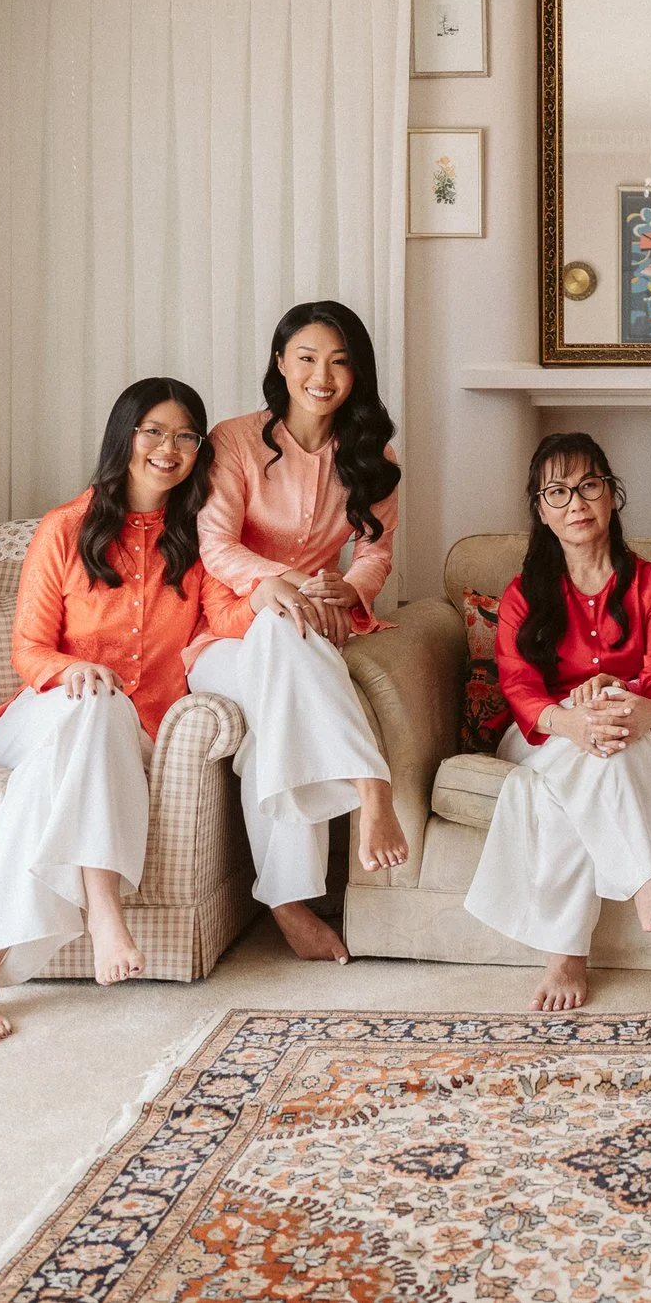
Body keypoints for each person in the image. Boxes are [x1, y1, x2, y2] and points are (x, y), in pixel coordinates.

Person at [0, 377, 252, 1045]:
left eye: (185, 434)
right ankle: (104, 907)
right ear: (123, 436)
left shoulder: (197, 542)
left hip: (132, 730)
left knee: (70, 751)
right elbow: (29, 651)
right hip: (39, 716)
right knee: (90, 704)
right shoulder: (64, 528)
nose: (168, 448)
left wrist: (274, 594)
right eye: (153, 430)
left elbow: (223, 617)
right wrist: (73, 669)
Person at [194, 301, 409, 963]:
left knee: (275, 717)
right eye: (308, 358)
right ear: (281, 362)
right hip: (223, 633)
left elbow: (375, 550)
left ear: (358, 373)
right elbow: (214, 540)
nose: (323, 374)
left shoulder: (373, 454)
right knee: (281, 633)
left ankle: (288, 902)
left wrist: (350, 587)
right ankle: (370, 783)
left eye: (341, 361)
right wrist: (276, 582)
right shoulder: (235, 440)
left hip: (313, 622)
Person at [464, 433, 651, 1011]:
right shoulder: (524, 595)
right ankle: (645, 881)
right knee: (584, 752)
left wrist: (643, 709)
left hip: (627, 726)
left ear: (611, 495)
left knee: (603, 750)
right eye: (558, 492)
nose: (576, 503)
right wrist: (573, 724)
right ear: (541, 510)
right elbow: (519, 688)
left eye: (589, 485)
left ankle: (567, 953)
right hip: (543, 735)